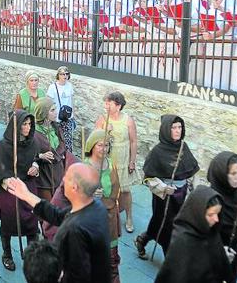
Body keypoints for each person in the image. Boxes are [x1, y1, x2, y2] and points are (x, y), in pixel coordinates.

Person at [6, 163, 111, 282]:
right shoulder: (96, 206)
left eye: (67, 177)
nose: (63, 178)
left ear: (74, 187)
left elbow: (78, 276)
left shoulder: (75, 230)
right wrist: (26, 195)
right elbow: (57, 215)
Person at [135, 115, 199, 259]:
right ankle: (171, 261)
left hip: (181, 195)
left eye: (179, 127)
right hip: (164, 196)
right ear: (166, 129)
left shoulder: (184, 147)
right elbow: (148, 178)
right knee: (166, 224)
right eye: (173, 127)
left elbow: (192, 170)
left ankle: (142, 239)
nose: (177, 131)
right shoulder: (157, 152)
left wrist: (193, 189)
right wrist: (163, 187)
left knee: (168, 223)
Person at [0, 110, 40, 272]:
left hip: (28, 186)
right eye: (24, 124)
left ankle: (31, 254)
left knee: (31, 222)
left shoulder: (33, 142)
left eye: (29, 124)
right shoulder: (4, 145)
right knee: (8, 222)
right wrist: (7, 181)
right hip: (9, 188)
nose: (28, 127)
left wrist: (35, 167)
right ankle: (7, 254)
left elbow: (36, 158)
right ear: (16, 126)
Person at [155, 186, 233, 283]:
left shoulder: (211, 233)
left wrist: (223, 257)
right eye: (211, 214)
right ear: (198, 213)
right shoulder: (183, 242)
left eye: (218, 214)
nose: (216, 219)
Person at [96, 91, 138, 233]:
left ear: (118, 105)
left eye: (109, 103)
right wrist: (105, 131)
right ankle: (107, 217)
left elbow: (133, 141)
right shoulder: (102, 119)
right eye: (105, 103)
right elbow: (95, 141)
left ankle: (129, 217)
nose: (106, 106)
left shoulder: (128, 120)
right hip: (107, 160)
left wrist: (132, 161)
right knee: (107, 190)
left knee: (125, 191)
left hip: (123, 159)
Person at [83, 129, 121, 282]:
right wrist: (91, 194)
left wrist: (107, 198)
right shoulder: (84, 167)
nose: (104, 149)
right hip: (90, 219)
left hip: (109, 215)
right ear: (92, 146)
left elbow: (116, 188)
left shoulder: (111, 164)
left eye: (106, 145)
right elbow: (76, 194)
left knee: (112, 260)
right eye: (100, 145)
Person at [207, 152, 237, 282]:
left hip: (233, 254)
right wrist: (219, 250)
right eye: (233, 173)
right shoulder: (210, 199)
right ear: (222, 174)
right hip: (210, 258)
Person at [33, 97, 66, 202]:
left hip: (58, 173)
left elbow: (62, 145)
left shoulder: (56, 127)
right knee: (47, 209)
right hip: (44, 177)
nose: (56, 112)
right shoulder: (34, 133)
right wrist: (40, 156)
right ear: (43, 113)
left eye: (55, 109)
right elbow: (26, 154)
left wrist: (60, 154)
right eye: (52, 110)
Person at [46, 66, 75, 152]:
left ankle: (68, 160)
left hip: (68, 118)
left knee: (68, 142)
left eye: (66, 74)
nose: (64, 76)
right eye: (62, 74)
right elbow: (48, 102)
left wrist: (73, 115)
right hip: (57, 119)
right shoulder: (52, 87)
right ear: (58, 75)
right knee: (58, 142)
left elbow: (71, 101)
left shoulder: (69, 86)